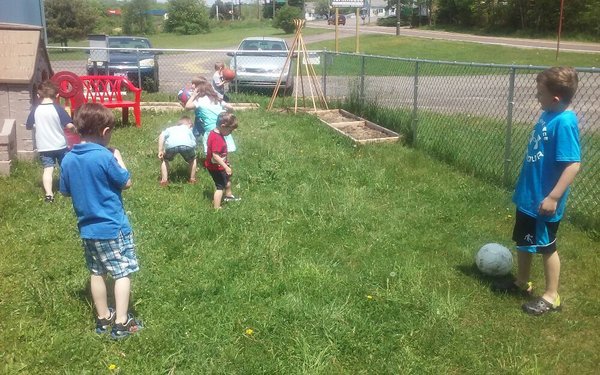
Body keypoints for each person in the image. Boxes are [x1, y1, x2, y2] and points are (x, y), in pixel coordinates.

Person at [492, 67, 581, 316]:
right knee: (524, 241)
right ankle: (522, 282)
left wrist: (553, 197)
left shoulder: (564, 122)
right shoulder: (549, 113)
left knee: (546, 247)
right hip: (529, 197)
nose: (536, 97)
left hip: (544, 201)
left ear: (555, 98)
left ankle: (552, 296)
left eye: (540, 93)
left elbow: (573, 164)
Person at [59, 103, 142, 339]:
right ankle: (121, 323)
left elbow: (65, 191)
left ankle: (103, 317)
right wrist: (118, 157)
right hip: (113, 227)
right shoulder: (106, 156)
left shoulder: (67, 159)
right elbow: (126, 182)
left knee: (97, 272)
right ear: (105, 132)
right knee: (122, 272)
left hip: (87, 229)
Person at [25, 80, 76, 202]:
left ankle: (49, 195)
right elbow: (69, 125)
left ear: (38, 96)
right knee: (66, 166)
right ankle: (70, 189)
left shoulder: (35, 110)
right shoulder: (58, 109)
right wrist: (75, 130)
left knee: (48, 169)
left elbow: (28, 126)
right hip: (60, 145)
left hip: (44, 146)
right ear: (57, 95)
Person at [185, 79, 236, 155]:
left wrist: (193, 96)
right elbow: (231, 107)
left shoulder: (200, 100)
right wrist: (226, 113)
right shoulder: (217, 100)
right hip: (222, 126)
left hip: (210, 128)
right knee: (223, 149)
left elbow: (187, 107)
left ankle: (213, 163)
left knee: (212, 151)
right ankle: (223, 162)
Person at [205, 112, 240, 209]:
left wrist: (226, 164)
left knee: (227, 179)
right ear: (223, 126)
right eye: (230, 130)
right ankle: (217, 207)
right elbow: (215, 156)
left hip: (219, 165)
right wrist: (225, 167)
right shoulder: (217, 139)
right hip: (216, 167)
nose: (230, 133)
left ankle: (228, 196)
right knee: (219, 187)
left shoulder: (214, 132)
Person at [158, 115, 197, 186]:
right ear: (189, 125)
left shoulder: (170, 128)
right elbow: (193, 143)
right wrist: (192, 150)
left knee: (165, 159)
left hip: (171, 145)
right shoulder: (188, 130)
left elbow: (162, 135)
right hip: (186, 145)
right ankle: (192, 179)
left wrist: (160, 150)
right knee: (193, 159)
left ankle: (164, 180)